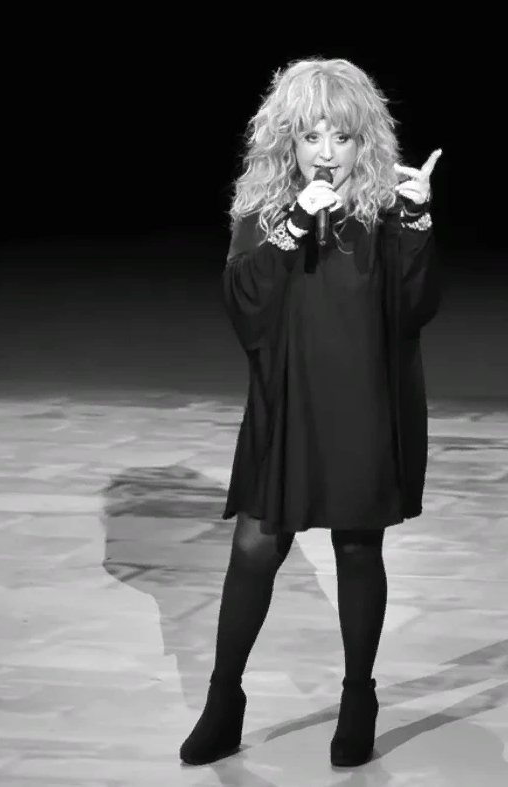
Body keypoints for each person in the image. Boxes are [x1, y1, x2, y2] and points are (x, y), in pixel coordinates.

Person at [179, 57, 442, 769]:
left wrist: (417, 220)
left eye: (342, 137)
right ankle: (224, 701)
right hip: (287, 400)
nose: (327, 152)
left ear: (365, 142)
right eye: (312, 136)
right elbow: (245, 307)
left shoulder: (385, 212)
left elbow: (416, 309)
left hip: (363, 401)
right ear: (287, 141)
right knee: (255, 548)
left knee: (358, 549)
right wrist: (293, 225)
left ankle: (359, 699)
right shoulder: (263, 210)